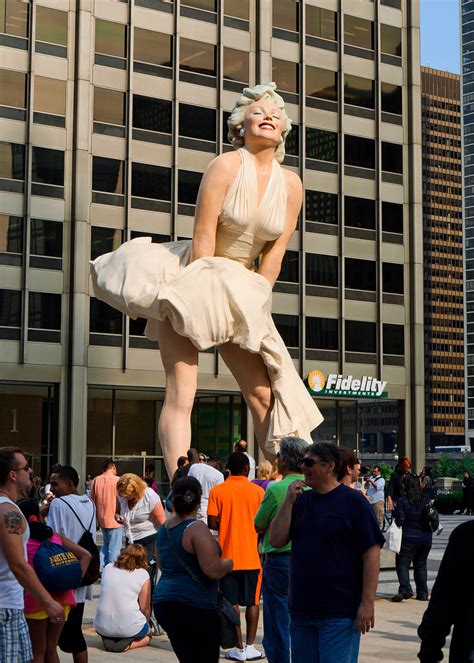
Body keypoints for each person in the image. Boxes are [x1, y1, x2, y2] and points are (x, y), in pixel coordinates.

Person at [91, 82, 324, 478]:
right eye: (257, 112)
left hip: (244, 287)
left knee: (265, 393)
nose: (267, 116)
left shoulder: (291, 185)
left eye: (275, 113)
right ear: (240, 125)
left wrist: (256, 300)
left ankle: (275, 481)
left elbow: (276, 254)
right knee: (182, 390)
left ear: (284, 127)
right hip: (195, 276)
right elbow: (203, 239)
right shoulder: (226, 166)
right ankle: (184, 484)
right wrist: (203, 301)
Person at [269, 442, 385, 663]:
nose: (303, 467)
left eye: (309, 462)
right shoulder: (300, 501)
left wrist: (367, 603)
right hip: (302, 610)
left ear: (329, 466)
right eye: (302, 462)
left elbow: (371, 553)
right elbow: (276, 540)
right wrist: (288, 502)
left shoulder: (354, 502)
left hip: (339, 612)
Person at [154, 477, 233, 663]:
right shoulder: (196, 528)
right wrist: (229, 564)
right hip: (194, 604)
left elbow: (161, 563)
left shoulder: (164, 529)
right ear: (199, 500)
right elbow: (212, 570)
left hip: (164, 602)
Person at [0, 447, 65, 663]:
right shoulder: (8, 512)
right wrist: (48, 602)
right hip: (6, 608)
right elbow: (18, 564)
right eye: (26, 468)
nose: (30, 472)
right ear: (12, 474)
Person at [254, 436, 308, 663]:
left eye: (279, 455)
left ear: (285, 460)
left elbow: (259, 523)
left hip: (279, 560)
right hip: (308, 560)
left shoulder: (277, 489)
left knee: (277, 621)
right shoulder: (311, 488)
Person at [18, 498, 92, 663]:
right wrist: (72, 583)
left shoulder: (22, 539)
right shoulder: (53, 534)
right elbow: (86, 555)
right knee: (51, 649)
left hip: (35, 600)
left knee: (37, 652)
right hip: (63, 599)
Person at [208, 452, 265, 661]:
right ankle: (251, 646)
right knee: (252, 602)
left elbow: (211, 523)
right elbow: (264, 523)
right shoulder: (258, 492)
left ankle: (238, 647)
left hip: (227, 557)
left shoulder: (218, 491)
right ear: (247, 469)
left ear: (228, 469)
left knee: (231, 602)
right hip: (251, 556)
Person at [48, 464, 97, 663]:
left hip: (63, 572)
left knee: (51, 640)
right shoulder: (89, 502)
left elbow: (51, 536)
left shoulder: (58, 505)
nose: (51, 488)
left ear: (69, 484)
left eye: (55, 483)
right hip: (84, 574)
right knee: (75, 633)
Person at [417, 520, 474, 663]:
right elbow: (444, 598)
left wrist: (429, 651)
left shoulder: (466, 535)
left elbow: (443, 599)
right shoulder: (466, 535)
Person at [93, 544, 152, 653]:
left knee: (111, 629)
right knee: (148, 635)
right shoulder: (143, 574)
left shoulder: (108, 567)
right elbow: (145, 607)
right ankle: (130, 644)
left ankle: (110, 637)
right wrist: (146, 624)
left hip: (101, 624)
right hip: (129, 626)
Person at [391, 473, 432, 603]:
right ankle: (423, 593)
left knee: (402, 563)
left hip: (409, 537)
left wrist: (396, 515)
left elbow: (400, 521)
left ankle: (405, 589)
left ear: (405, 486)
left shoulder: (403, 501)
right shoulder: (425, 499)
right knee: (421, 564)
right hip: (426, 537)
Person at [116, 473, 165, 563]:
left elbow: (162, 524)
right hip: (130, 541)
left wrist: (162, 547)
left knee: (145, 572)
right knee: (129, 571)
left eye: (128, 495)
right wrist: (118, 517)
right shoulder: (121, 494)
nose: (125, 498)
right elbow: (117, 512)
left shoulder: (149, 496)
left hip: (148, 541)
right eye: (123, 496)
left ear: (136, 490)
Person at [90, 459, 122, 567]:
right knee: (114, 546)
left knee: (106, 544)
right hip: (115, 518)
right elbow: (121, 500)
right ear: (112, 467)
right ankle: (111, 569)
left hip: (101, 518)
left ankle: (101, 568)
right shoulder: (118, 480)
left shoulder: (96, 480)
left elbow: (91, 500)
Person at [187, 454, 224, 522]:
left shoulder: (194, 467)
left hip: (191, 507)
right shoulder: (219, 475)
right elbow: (219, 497)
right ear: (217, 462)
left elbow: (187, 484)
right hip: (207, 510)